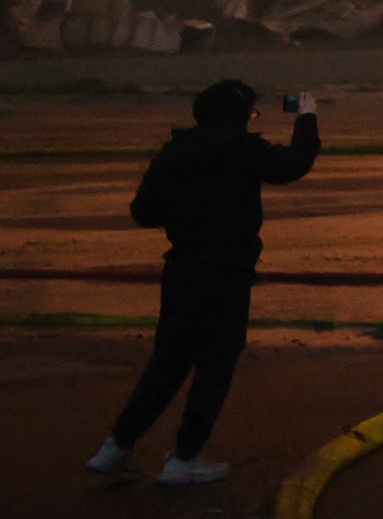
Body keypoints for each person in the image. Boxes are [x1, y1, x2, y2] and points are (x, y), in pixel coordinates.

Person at [87, 79, 321, 488]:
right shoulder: (241, 149)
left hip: (182, 270)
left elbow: (144, 212)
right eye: (250, 114)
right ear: (238, 117)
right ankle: (185, 456)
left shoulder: (175, 151)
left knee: (168, 362)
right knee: (215, 364)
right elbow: (292, 165)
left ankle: (117, 447)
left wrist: (187, 211)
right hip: (226, 273)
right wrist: (307, 119)